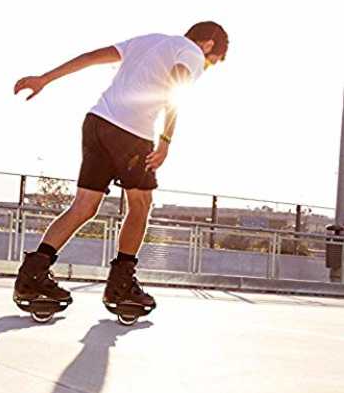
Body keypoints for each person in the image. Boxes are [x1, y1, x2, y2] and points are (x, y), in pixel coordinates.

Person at [13, 21, 229, 312]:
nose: (206, 67)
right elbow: (176, 88)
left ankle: (32, 276)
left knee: (84, 206)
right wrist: (165, 139)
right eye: (212, 62)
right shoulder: (192, 52)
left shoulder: (149, 39)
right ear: (209, 45)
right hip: (130, 133)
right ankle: (121, 286)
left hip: (96, 122)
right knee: (140, 205)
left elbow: (91, 57)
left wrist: (45, 78)